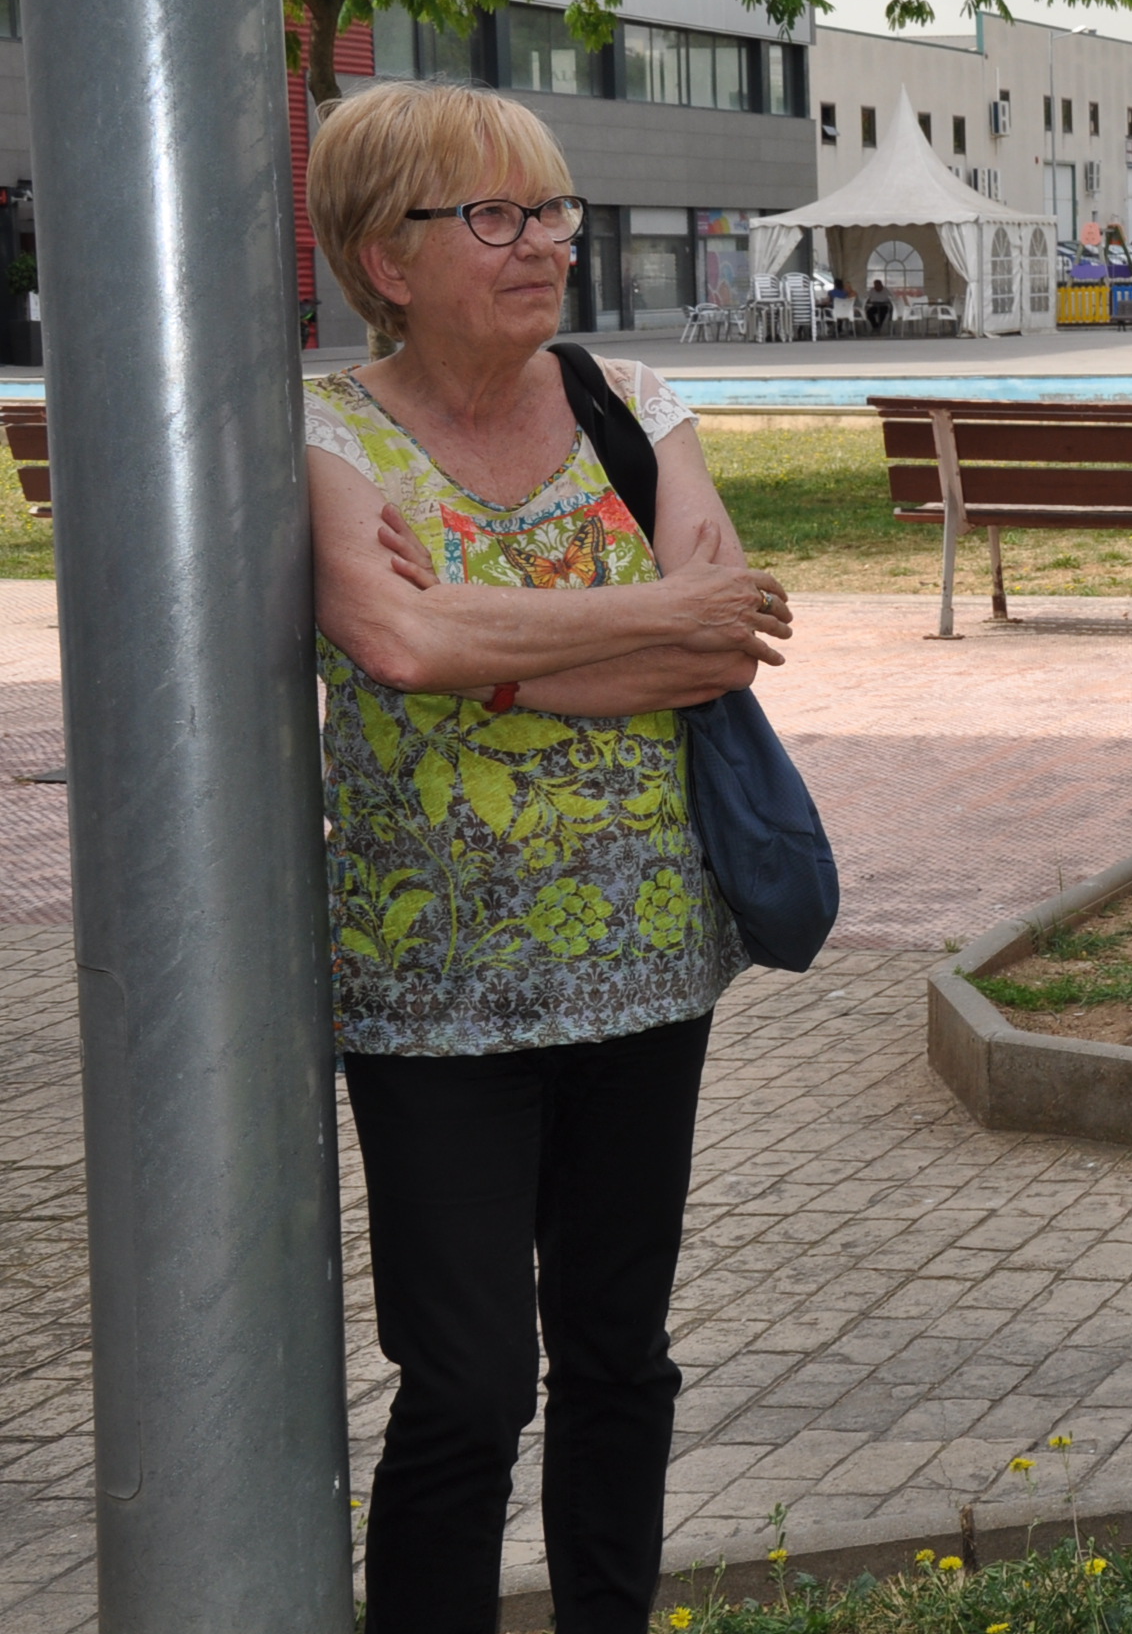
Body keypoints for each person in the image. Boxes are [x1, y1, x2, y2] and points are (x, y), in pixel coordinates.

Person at [304, 80, 797, 1633]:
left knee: (617, 1360)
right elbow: (395, 642)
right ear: (386, 256)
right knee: (464, 1385)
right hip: (430, 991)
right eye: (498, 216)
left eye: (555, 211)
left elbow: (721, 649)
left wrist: (491, 654)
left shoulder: (632, 406)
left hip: (646, 964)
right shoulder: (321, 432)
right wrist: (647, 614)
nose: (548, 245)